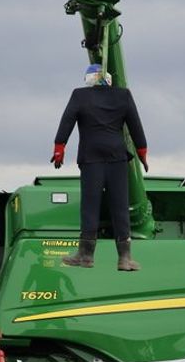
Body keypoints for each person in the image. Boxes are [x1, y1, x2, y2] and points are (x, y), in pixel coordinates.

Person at [51, 63, 148, 271]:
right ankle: (124, 258)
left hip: (91, 157)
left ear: (89, 79)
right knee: (120, 206)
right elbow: (135, 126)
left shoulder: (79, 96)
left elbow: (66, 121)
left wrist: (59, 148)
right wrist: (142, 153)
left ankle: (86, 255)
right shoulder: (123, 96)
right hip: (117, 157)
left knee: (90, 205)